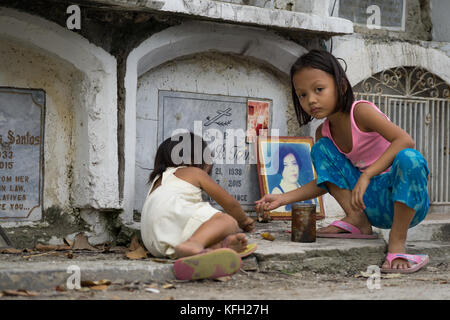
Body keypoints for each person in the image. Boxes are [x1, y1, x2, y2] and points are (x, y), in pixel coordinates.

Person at [255, 49, 430, 273]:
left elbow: (405, 140)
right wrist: (282, 198)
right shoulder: (324, 134)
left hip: (405, 200)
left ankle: (397, 245)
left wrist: (367, 174)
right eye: (302, 95)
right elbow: (326, 181)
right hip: (368, 204)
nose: (311, 100)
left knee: (410, 158)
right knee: (320, 149)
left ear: (341, 86)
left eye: (319, 89)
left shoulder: (362, 112)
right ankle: (357, 220)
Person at [141, 132, 256, 279]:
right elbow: (230, 204)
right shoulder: (194, 172)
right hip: (174, 219)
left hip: (154, 242)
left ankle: (216, 247)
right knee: (227, 222)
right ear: (193, 159)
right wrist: (244, 221)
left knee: (207, 230)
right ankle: (194, 244)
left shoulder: (158, 180)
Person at [271, 146, 315, 212]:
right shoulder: (277, 192)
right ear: (280, 169)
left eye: (294, 163)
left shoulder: (305, 189)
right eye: (286, 165)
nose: (292, 169)